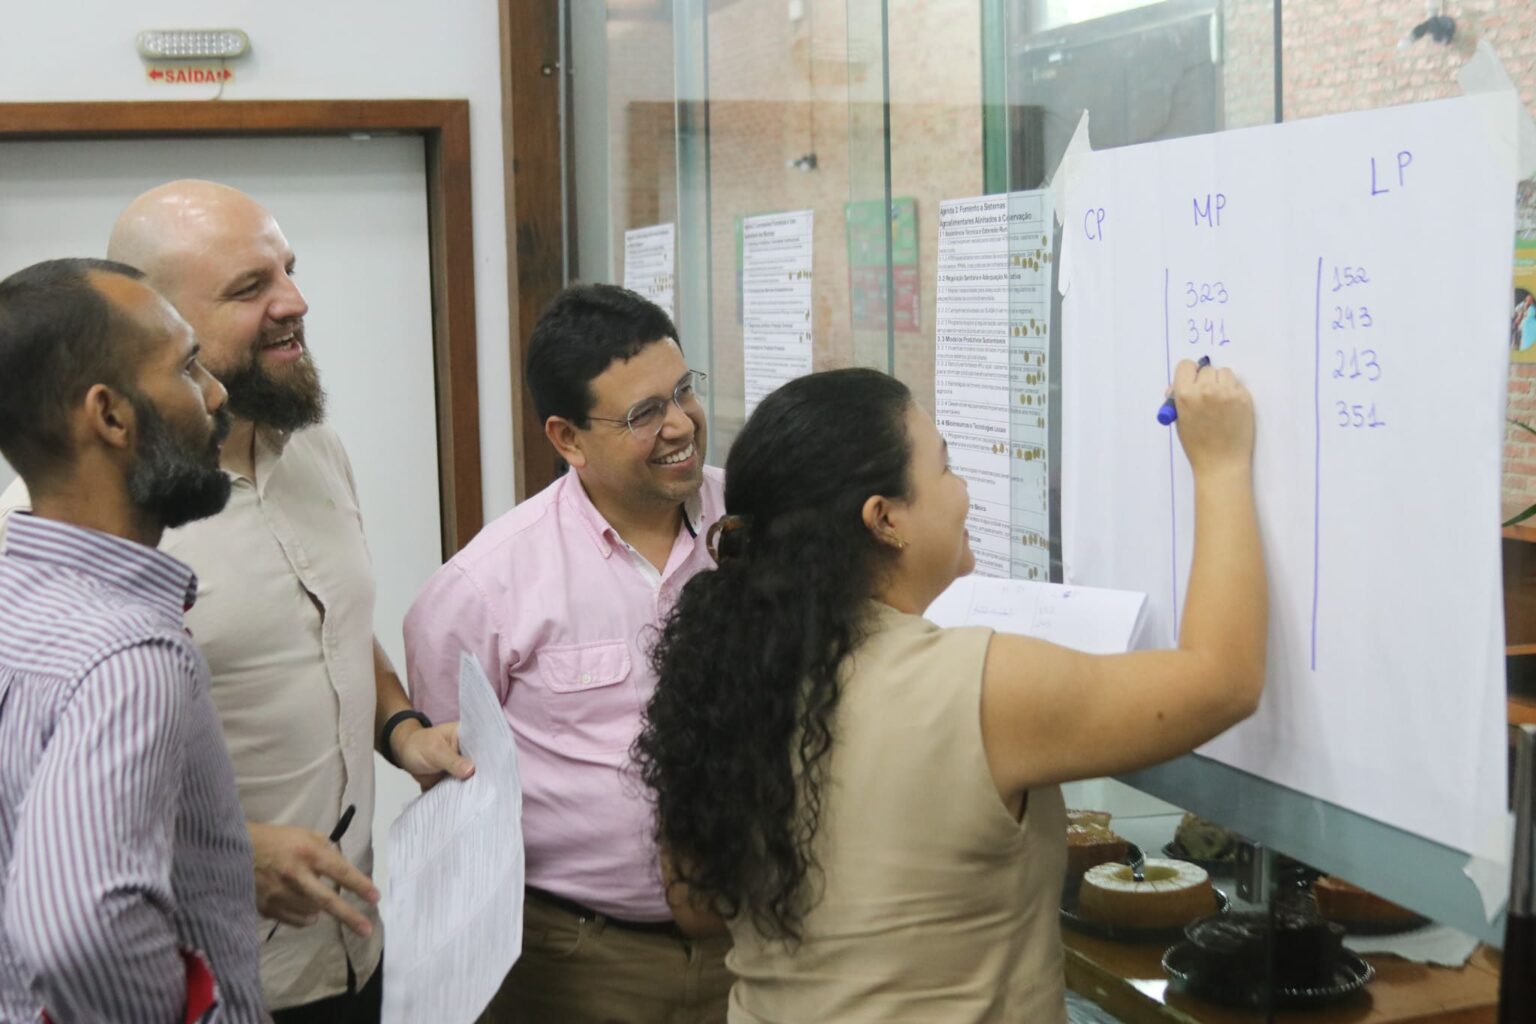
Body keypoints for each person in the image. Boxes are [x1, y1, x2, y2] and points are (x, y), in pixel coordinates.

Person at [635, 362, 1267, 1023]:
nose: (964, 490)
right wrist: (1221, 465)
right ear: (885, 519)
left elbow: (696, 906)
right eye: (946, 468)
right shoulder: (976, 684)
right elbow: (1223, 681)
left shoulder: (728, 680)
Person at [0, 181, 473, 1023]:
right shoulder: (68, 537)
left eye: (288, 269)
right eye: (250, 288)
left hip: (358, 948)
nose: (294, 302)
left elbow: (332, 626)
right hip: (226, 978)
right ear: (160, 318)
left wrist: (403, 730)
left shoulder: (316, 449)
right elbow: (38, 831)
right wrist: (226, 855)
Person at [404, 283, 733, 1023]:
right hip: (575, 959)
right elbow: (451, 793)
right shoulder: (483, 588)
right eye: (644, 413)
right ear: (567, 439)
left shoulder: (756, 525)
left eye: (684, 390)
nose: (681, 424)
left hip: (754, 942)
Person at [0, 258, 267, 1022]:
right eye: (187, 368)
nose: (216, 394)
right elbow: (74, 931)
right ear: (111, 417)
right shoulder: (128, 656)